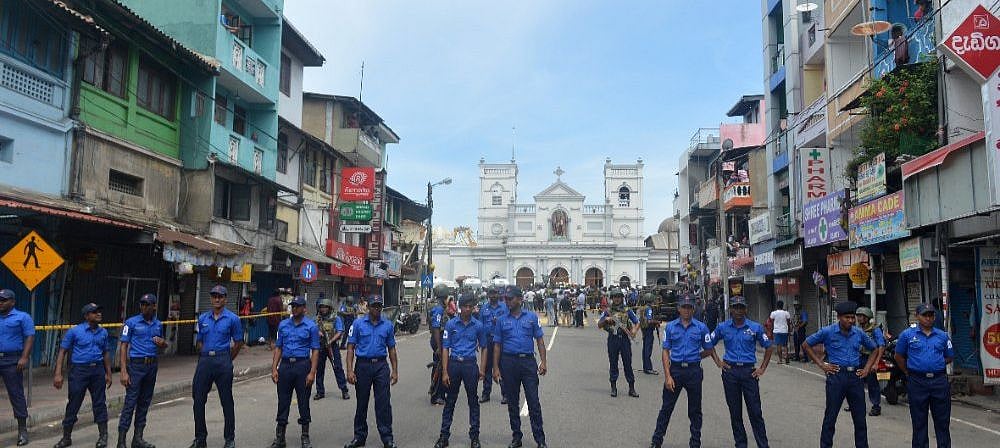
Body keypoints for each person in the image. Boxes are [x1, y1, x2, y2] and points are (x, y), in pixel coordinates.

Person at [801, 301, 878, 448]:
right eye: (847, 317)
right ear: (839, 317)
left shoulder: (859, 333)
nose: (850, 320)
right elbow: (806, 344)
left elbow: (874, 349)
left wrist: (867, 368)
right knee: (831, 416)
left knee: (860, 418)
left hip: (855, 377)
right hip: (837, 376)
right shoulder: (828, 331)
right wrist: (821, 364)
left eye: (852, 317)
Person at [706, 295, 774, 448]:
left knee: (755, 413)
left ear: (745, 309)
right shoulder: (722, 327)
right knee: (735, 413)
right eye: (735, 307)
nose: (738, 311)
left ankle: (763, 445)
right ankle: (740, 444)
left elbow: (768, 346)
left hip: (749, 373)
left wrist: (762, 368)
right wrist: (718, 361)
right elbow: (709, 343)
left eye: (741, 307)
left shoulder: (754, 327)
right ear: (731, 309)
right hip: (730, 373)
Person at [649, 295, 712, 448]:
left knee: (695, 410)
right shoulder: (670, 327)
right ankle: (657, 441)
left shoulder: (701, 327)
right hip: (675, 370)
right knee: (666, 408)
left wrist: (696, 356)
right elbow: (665, 351)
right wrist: (667, 376)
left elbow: (709, 350)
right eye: (683, 307)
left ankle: (695, 443)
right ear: (678, 308)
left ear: (693, 309)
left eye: (689, 307)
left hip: (693, 372)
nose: (686, 310)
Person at [189, 285, 244, 448]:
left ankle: (229, 438)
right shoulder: (203, 318)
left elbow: (238, 342)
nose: (217, 299)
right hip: (205, 361)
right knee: (198, 400)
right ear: (211, 298)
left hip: (222, 361)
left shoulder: (233, 319)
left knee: (226, 400)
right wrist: (204, 352)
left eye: (220, 296)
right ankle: (200, 438)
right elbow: (199, 340)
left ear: (225, 299)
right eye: (214, 296)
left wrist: (227, 359)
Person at [493, 286, 547, 448]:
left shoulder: (531, 317)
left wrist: (543, 361)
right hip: (508, 363)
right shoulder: (502, 320)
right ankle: (517, 436)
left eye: (510, 298)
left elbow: (540, 340)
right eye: (506, 299)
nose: (507, 301)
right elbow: (497, 345)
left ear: (520, 299)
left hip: (528, 363)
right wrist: (495, 368)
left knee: (533, 402)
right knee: (512, 403)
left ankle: (540, 439)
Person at [895, 303, 954, 448]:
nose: (928, 318)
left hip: (939, 382)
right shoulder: (907, 335)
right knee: (919, 421)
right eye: (925, 315)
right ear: (917, 316)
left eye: (931, 315)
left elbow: (949, 356)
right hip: (917, 382)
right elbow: (899, 356)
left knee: (942, 421)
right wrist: (908, 372)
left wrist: (936, 364)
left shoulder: (942, 336)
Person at [53, 303, 112, 448]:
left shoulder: (103, 332)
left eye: (99, 311)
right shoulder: (75, 331)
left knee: (99, 403)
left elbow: (105, 353)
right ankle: (66, 437)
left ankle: (103, 436)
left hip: (97, 370)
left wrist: (108, 373)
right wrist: (58, 373)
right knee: (73, 403)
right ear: (86, 316)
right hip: (79, 371)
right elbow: (62, 351)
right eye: (94, 312)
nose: (98, 314)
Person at [344, 295, 399, 448]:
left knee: (383, 404)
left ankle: (387, 438)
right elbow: (350, 348)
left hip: (381, 366)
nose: (376, 309)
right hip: (363, 366)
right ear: (368, 307)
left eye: (379, 306)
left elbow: (392, 349)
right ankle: (359, 437)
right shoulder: (358, 324)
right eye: (374, 306)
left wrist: (395, 370)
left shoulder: (388, 325)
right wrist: (349, 370)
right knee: (361, 403)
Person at [435, 293, 488, 448]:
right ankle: (444, 436)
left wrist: (483, 369)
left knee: (473, 401)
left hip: (470, 365)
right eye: (465, 306)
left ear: (473, 307)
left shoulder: (478, 326)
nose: (467, 309)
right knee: (450, 400)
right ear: (459, 307)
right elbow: (445, 348)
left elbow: (484, 347)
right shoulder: (451, 325)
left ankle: (475, 437)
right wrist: (445, 371)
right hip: (454, 365)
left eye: (470, 306)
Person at [269, 296, 320, 448]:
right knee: (283, 401)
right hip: (285, 367)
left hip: (302, 366)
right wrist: (274, 368)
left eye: (298, 306)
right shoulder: (283, 325)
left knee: (303, 402)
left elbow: (315, 350)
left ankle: (305, 436)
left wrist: (312, 372)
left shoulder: (311, 326)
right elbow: (278, 347)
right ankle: (280, 437)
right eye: (293, 306)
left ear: (304, 308)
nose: (295, 308)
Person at [117, 293, 167, 448]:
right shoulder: (131, 323)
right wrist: (123, 371)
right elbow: (124, 346)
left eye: (147, 304)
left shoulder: (158, 324)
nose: (144, 307)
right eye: (142, 304)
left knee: (144, 402)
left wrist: (162, 343)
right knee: (130, 402)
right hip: (136, 366)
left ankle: (137, 438)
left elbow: (163, 346)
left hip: (151, 366)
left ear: (154, 306)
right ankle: (121, 441)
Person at [0, 288, 34, 446]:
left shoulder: (23, 317)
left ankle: (22, 430)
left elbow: (29, 336)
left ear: (12, 302)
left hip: (13, 360)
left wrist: (24, 357)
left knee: (16, 394)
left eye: (4, 300)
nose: (1, 303)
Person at [599, 288, 640, 397]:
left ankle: (631, 388)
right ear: (612, 299)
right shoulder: (608, 311)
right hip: (613, 339)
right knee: (613, 363)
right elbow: (599, 324)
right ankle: (613, 387)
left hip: (625, 340)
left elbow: (637, 322)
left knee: (628, 364)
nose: (617, 299)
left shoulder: (627, 310)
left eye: (619, 297)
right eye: (615, 297)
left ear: (622, 298)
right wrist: (606, 320)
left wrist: (634, 331)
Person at [850, 307, 886, 416]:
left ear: (867, 317)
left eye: (862, 316)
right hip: (858, 358)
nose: (859, 318)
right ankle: (855, 404)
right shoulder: (856, 329)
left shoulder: (875, 329)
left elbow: (881, 346)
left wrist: (876, 362)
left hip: (870, 358)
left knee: (872, 383)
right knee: (855, 382)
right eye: (858, 316)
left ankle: (876, 406)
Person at [314, 297, 350, 400]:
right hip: (320, 346)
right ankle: (320, 391)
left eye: (325, 307)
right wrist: (318, 333)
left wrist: (330, 341)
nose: (323, 309)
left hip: (332, 346)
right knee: (319, 369)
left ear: (329, 308)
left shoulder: (336, 318)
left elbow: (339, 332)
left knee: (337, 367)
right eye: (321, 307)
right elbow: (312, 329)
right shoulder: (317, 319)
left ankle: (344, 390)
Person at [479, 286, 509, 404]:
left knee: (502, 366)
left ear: (499, 295)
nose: (493, 296)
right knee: (487, 367)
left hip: (500, 340)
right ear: (488, 295)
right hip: (487, 340)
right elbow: (480, 325)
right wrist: (479, 340)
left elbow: (508, 320)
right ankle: (486, 394)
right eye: (491, 294)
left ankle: (505, 394)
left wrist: (500, 322)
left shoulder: (504, 307)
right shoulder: (484, 308)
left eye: (495, 293)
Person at [429, 293, 447, 405]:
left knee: (440, 366)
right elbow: (436, 327)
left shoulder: (435, 306)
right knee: (439, 367)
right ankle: (436, 395)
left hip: (439, 339)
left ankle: (440, 393)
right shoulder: (439, 309)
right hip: (438, 340)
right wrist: (439, 347)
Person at [639, 293, 660, 375]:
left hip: (644, 329)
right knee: (648, 349)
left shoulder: (643, 308)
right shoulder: (649, 309)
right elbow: (649, 320)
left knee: (645, 349)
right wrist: (657, 322)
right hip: (648, 330)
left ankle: (645, 367)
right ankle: (648, 368)